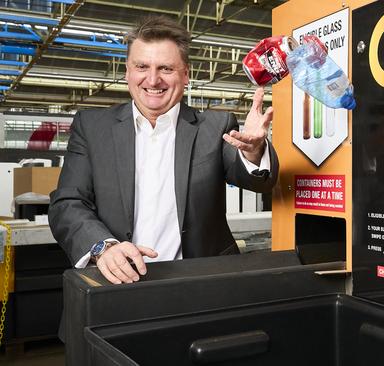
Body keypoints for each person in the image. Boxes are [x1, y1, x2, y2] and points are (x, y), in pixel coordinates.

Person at [49, 15, 278, 284]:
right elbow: (68, 203)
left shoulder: (215, 127)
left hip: (202, 283)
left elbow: (254, 179)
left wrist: (253, 150)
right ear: (127, 72)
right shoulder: (91, 126)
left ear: (186, 74)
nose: (153, 79)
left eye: (166, 68)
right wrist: (104, 247)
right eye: (142, 66)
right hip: (117, 283)